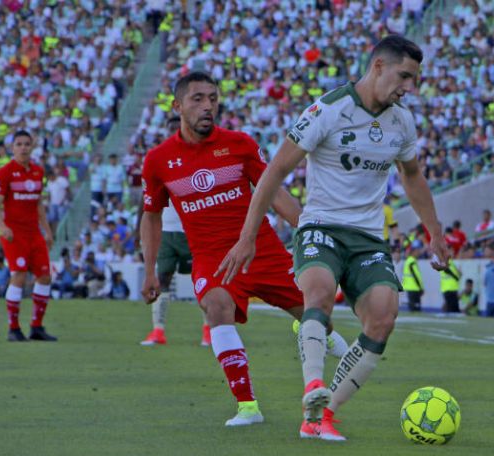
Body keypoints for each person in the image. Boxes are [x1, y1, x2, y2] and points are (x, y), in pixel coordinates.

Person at [216, 35, 451, 441]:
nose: (409, 87)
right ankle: (311, 385)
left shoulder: (402, 122)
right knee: (319, 292)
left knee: (383, 314)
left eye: (414, 80)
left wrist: (436, 231)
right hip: (320, 226)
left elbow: (412, 176)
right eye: (404, 76)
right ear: (378, 66)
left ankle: (322, 415)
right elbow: (274, 172)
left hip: (366, 236)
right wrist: (247, 237)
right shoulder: (328, 109)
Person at [140, 72, 349, 428]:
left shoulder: (239, 144)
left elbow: (272, 191)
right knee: (216, 307)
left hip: (262, 251)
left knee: (317, 315)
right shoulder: (159, 160)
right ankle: (247, 406)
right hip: (213, 260)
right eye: (198, 99)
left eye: (213, 98)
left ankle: (345, 366)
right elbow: (151, 216)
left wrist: (308, 227)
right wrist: (148, 271)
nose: (208, 106)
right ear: (177, 106)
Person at [137, 116, 210, 347]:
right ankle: (158, 331)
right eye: (170, 129)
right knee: (162, 279)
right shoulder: (157, 159)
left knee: (204, 279)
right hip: (166, 230)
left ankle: (208, 331)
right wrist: (138, 227)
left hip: (193, 229)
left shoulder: (198, 157)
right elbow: (147, 198)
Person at [0, 130, 57, 341]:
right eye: (19, 144)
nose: (23, 147)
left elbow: (38, 204)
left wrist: (47, 230)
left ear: (32, 146)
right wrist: (2, 226)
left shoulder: (38, 171)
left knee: (45, 276)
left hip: (33, 233)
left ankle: (36, 327)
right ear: (12, 147)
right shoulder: (5, 172)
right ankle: (13, 328)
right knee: (18, 275)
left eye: (27, 144)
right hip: (14, 233)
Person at [402, 245, 424, 311]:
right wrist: (420, 288)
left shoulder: (407, 261)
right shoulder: (412, 262)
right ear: (413, 252)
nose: (418, 253)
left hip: (409, 287)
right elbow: (416, 276)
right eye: (417, 251)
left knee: (412, 307)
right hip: (414, 288)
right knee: (416, 308)